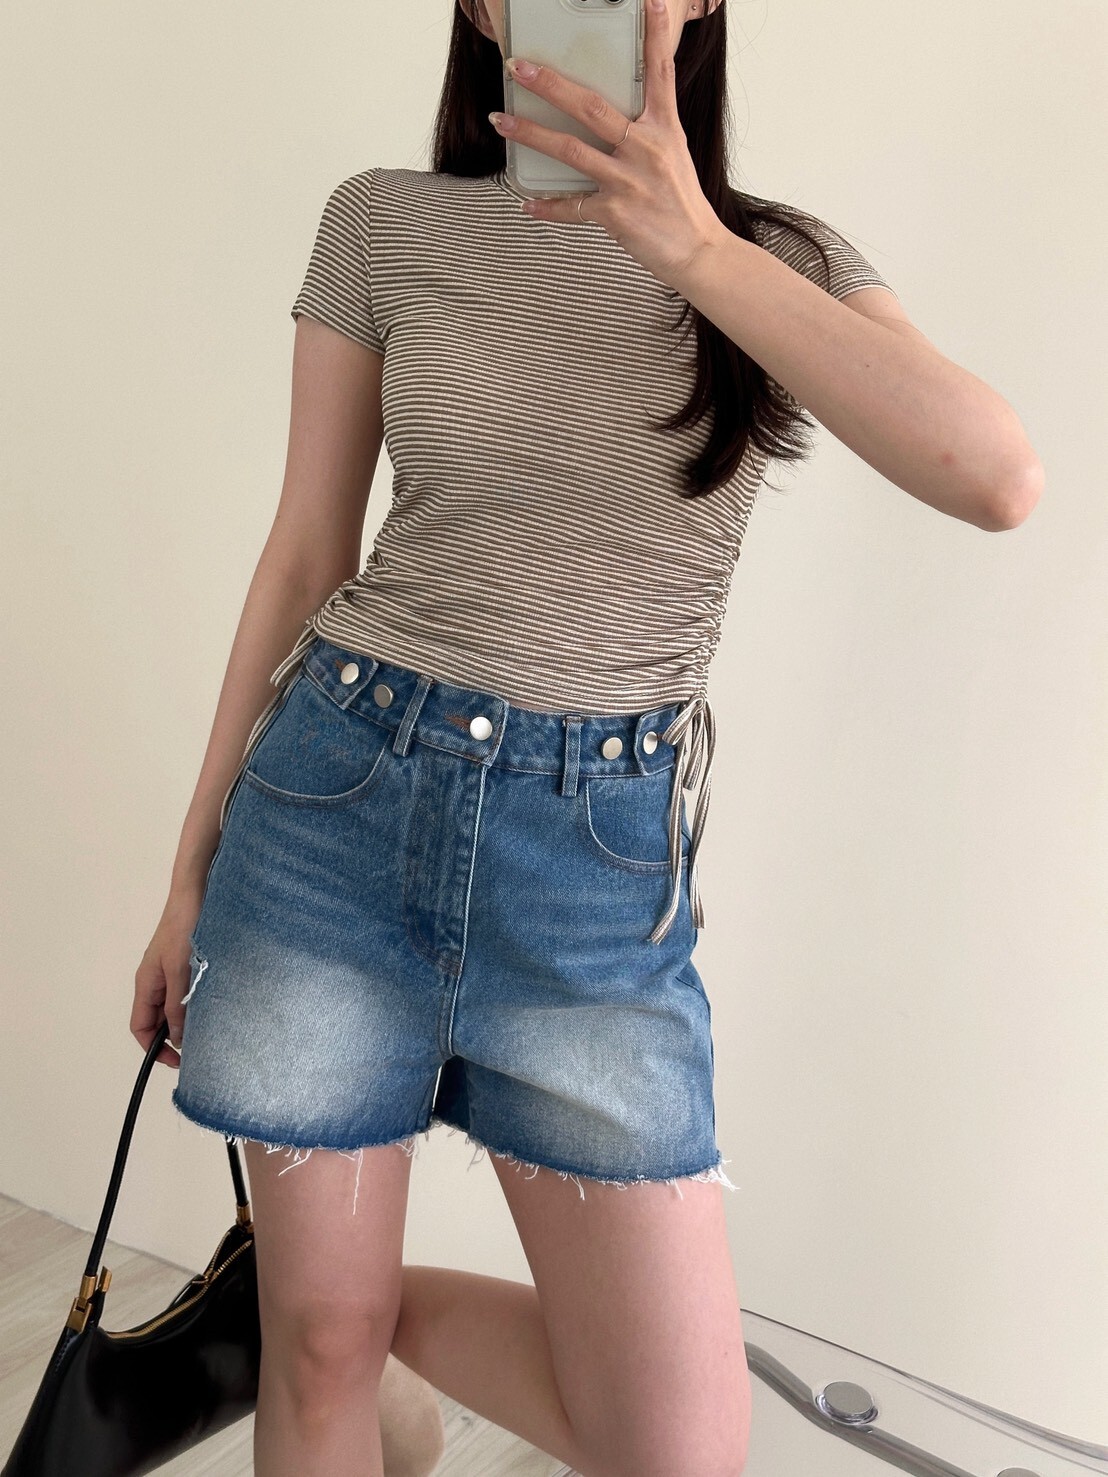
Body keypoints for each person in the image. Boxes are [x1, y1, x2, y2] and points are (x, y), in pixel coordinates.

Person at [131, 0, 1043, 1473]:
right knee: (320, 1346)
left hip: (593, 867)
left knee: (675, 1447)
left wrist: (694, 249)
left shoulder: (782, 263)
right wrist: (189, 873)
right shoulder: (381, 224)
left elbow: (998, 477)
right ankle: (317, 1317)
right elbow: (305, 555)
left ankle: (326, 1311)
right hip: (335, 801)